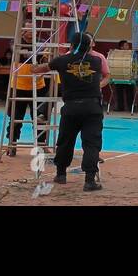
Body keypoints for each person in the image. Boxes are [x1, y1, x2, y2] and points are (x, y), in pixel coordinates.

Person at [27, 32, 109, 191]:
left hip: (71, 108)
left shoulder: (62, 61)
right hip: (93, 108)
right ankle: (90, 180)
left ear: (72, 45)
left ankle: (61, 174)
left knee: (65, 141)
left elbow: (39, 69)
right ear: (89, 46)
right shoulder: (97, 61)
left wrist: (32, 66)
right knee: (92, 144)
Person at [8, 54, 49, 154]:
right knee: (15, 117)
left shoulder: (42, 45)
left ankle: (41, 144)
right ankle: (12, 144)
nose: (29, 36)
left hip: (38, 86)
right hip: (18, 86)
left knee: (40, 117)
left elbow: (47, 63)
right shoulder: (18, 43)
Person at [112, 39, 135, 112]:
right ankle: (120, 107)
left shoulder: (131, 54)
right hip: (119, 75)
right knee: (119, 92)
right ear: (121, 47)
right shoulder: (116, 55)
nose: (128, 46)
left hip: (128, 75)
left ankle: (130, 107)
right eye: (126, 45)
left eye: (128, 45)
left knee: (130, 92)